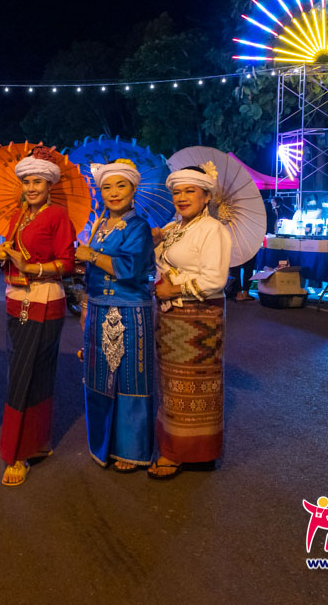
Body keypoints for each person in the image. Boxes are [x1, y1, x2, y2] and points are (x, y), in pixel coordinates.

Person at [0, 145, 76, 486]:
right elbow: (13, 254)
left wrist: (33, 267)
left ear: (49, 186)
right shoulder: (17, 216)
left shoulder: (57, 217)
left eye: (38, 181)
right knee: (28, 372)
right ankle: (37, 442)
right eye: (27, 181)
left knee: (26, 376)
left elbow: (67, 264)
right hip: (17, 300)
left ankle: (17, 454)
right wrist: (3, 255)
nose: (31, 187)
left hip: (44, 301)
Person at [150, 163, 232, 480]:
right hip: (172, 318)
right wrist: (156, 240)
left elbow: (215, 279)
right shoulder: (174, 229)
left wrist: (176, 287)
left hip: (199, 317)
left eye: (189, 191)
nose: (182, 197)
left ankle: (185, 453)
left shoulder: (213, 230)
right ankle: (180, 448)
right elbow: (162, 262)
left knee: (197, 388)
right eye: (177, 192)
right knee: (173, 387)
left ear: (206, 196)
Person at [74, 160, 155, 473]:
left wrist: (91, 254)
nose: (113, 193)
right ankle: (103, 444)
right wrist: (84, 308)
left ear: (133, 189)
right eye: (106, 187)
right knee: (98, 378)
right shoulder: (99, 225)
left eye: (121, 186)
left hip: (129, 311)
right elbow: (91, 273)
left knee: (129, 380)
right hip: (96, 309)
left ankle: (132, 449)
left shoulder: (139, 227)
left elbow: (130, 269)